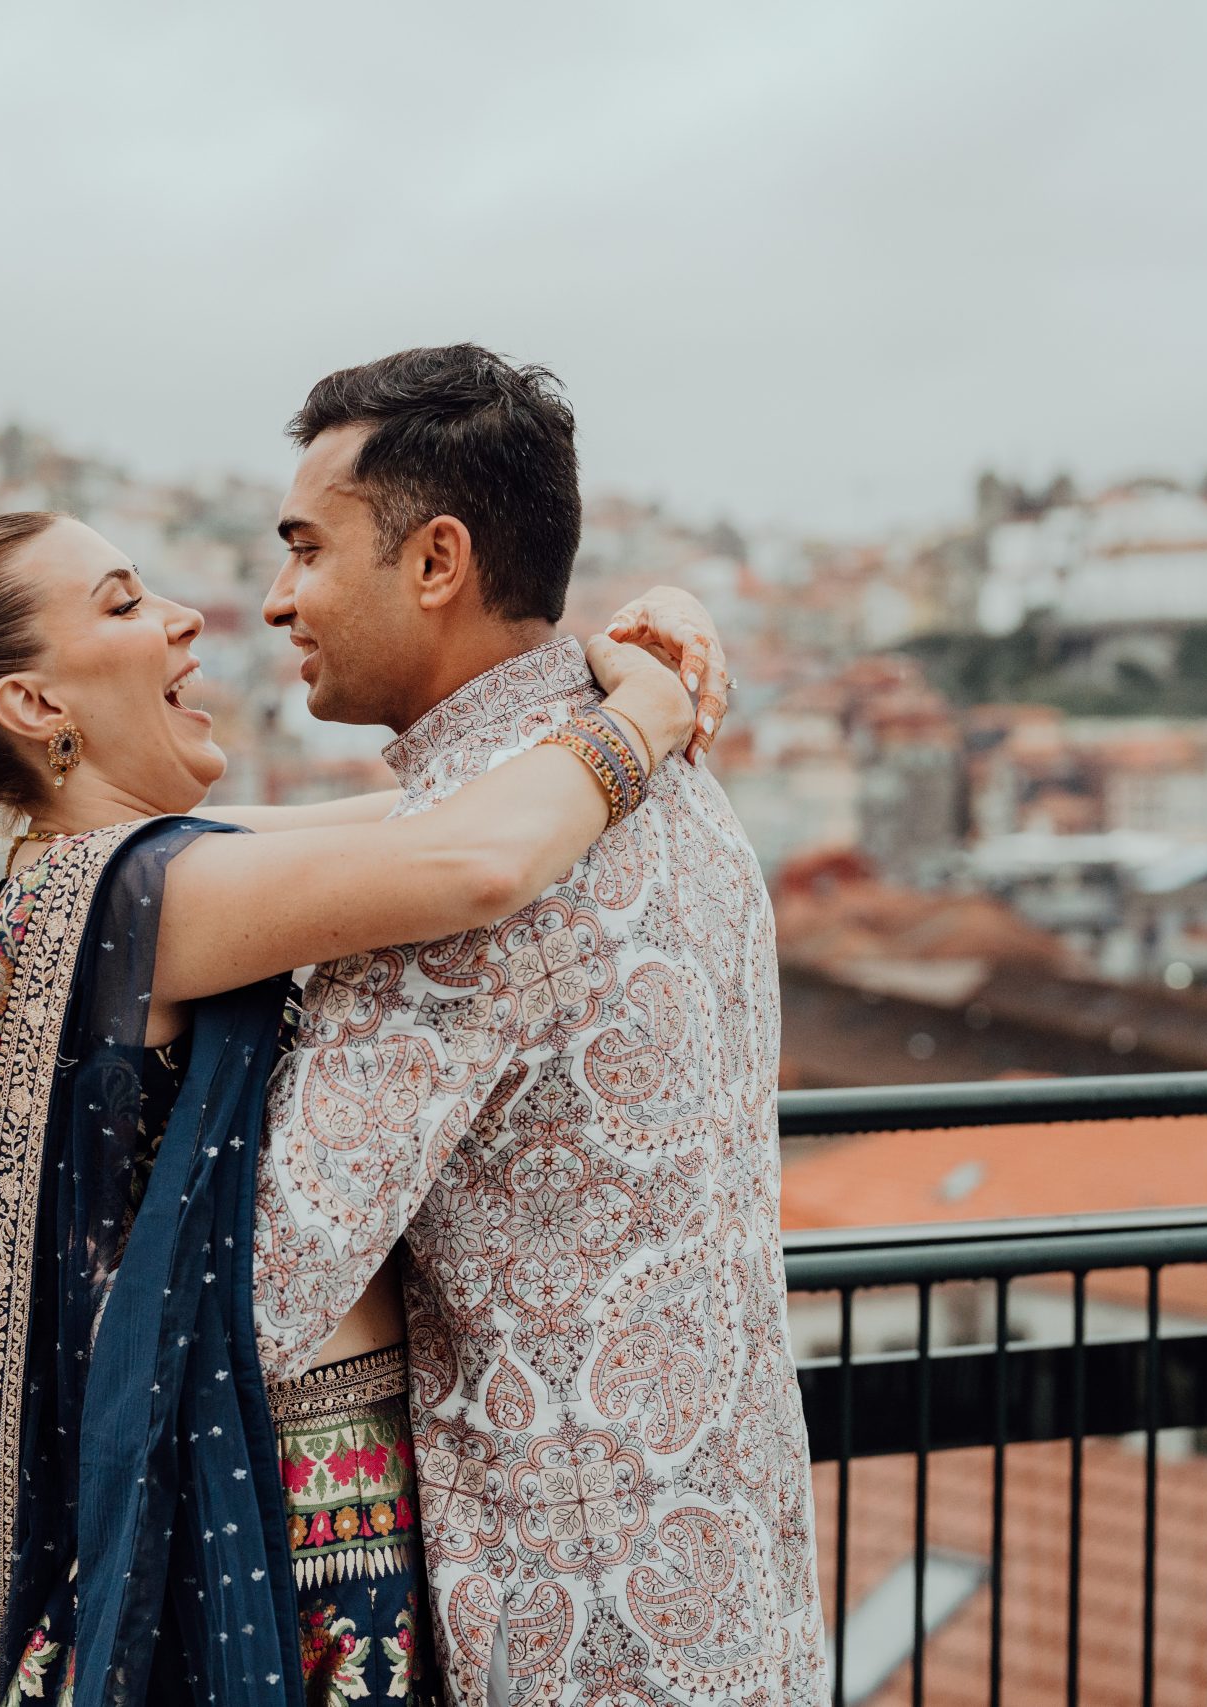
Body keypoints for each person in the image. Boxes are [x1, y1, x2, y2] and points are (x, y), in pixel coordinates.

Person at [0, 506, 728, 1707]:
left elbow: (459, 805)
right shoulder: (140, 896)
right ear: (35, 705)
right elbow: (476, 860)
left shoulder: (129, 871)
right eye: (123, 603)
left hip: (299, 1471)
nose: (186, 616)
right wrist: (645, 711)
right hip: (282, 1507)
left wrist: (636, 647)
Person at [246, 346, 827, 1705]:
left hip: (563, 1620)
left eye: (307, 549)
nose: (278, 599)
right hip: (740, 1592)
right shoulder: (674, 777)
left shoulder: (449, 892)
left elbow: (269, 1283)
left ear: (436, 560)